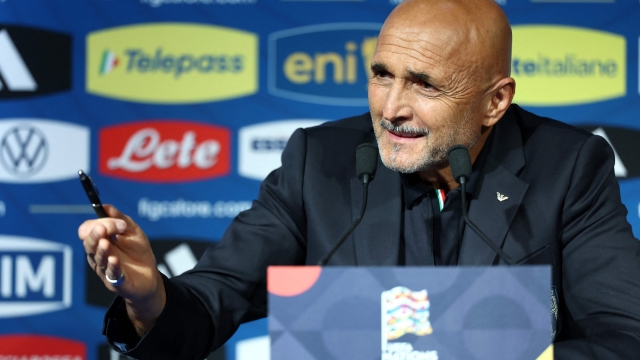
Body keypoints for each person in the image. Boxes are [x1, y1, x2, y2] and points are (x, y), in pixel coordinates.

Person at [78, 0, 640, 358]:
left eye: (424, 85)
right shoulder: (317, 161)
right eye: (381, 75)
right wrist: (149, 299)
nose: (391, 108)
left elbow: (625, 336)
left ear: (495, 101)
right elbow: (215, 298)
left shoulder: (568, 168)